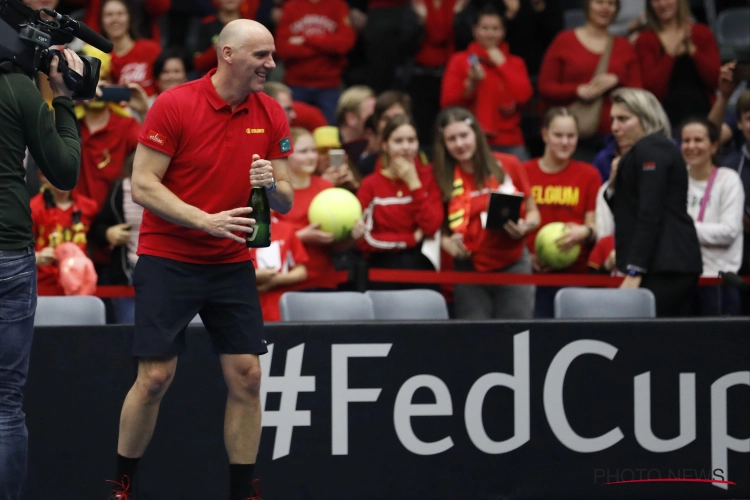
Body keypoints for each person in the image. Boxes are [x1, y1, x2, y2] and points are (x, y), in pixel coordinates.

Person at [104, 19, 293, 500]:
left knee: (248, 376)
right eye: (261, 55)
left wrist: (272, 183)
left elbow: (288, 198)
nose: (270, 64)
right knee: (155, 378)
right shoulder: (174, 104)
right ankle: (123, 483)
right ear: (227, 55)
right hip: (168, 256)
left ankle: (242, 491)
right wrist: (202, 220)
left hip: (231, 261)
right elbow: (144, 184)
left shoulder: (270, 112)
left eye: (271, 55)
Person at [0, 48, 83, 500]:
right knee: (5, 404)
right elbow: (65, 171)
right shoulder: (16, 87)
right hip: (8, 249)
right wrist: (63, 96)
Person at [434, 107, 540, 319]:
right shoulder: (440, 177)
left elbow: (534, 214)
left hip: (514, 263)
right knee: (475, 340)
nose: (460, 144)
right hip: (468, 268)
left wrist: (524, 228)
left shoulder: (508, 164)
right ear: (444, 144)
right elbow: (438, 228)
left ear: (477, 135)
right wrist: (448, 243)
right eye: (451, 139)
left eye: (464, 135)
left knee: (516, 337)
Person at [605, 88, 702, 317]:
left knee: (648, 342)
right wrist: (612, 185)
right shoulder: (640, 151)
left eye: (623, 119)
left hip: (666, 265)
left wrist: (635, 270)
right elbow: (627, 209)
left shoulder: (652, 148)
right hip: (662, 264)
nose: (614, 127)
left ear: (646, 118)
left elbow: (650, 212)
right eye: (612, 120)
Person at [538, 0, 642, 161]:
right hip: (571, 140)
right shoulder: (564, 40)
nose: (605, 8)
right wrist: (577, 90)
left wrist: (617, 80)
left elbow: (639, 94)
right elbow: (545, 87)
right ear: (587, 5)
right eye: (599, 2)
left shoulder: (624, 47)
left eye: (611, 4)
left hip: (615, 140)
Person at [524, 107, 602, 318]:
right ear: (545, 135)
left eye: (571, 136)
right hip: (531, 276)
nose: (565, 142)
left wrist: (583, 232)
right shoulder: (523, 172)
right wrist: (526, 257)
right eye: (558, 135)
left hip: (575, 277)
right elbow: (512, 225)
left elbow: (594, 226)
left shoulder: (589, 174)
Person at [351, 115, 443, 289]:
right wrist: (408, 239)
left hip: (421, 268)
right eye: (398, 141)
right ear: (385, 145)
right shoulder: (371, 184)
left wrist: (414, 184)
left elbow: (431, 226)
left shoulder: (429, 179)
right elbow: (363, 238)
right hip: (382, 270)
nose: (406, 147)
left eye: (411, 140)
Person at [441, 4, 533, 160]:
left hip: (510, 140)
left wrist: (503, 65)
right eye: (484, 28)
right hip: (471, 140)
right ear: (474, 30)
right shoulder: (460, 61)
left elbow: (525, 97)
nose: (490, 34)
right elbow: (447, 104)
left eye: (495, 29)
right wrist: (471, 84)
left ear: (504, 31)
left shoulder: (515, 63)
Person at [682, 117, 744, 315]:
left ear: (714, 146)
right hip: (683, 279)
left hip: (719, 283)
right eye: (686, 140)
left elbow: (729, 232)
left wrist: (684, 229)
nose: (691, 146)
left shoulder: (728, 179)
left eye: (698, 140)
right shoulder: (676, 179)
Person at [634, 0, 720, 131]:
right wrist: (671, 52)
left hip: (704, 119)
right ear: (649, 6)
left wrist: (692, 50)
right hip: (663, 123)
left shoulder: (701, 33)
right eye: (656, 1)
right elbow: (652, 90)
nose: (662, 4)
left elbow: (715, 81)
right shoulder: (645, 40)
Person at [274, 127, 340, 290]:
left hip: (324, 278)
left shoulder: (326, 187)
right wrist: (301, 236)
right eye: (303, 152)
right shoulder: (276, 191)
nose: (311, 157)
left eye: (313, 151)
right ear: (286, 156)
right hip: (286, 280)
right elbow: (265, 238)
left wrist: (351, 234)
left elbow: (337, 241)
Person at [274, 0, 357, 124]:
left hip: (329, 85)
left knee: (330, 134)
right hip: (296, 84)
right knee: (288, 131)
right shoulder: (291, 6)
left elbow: (345, 44)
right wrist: (324, 48)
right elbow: (282, 49)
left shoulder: (338, 5)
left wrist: (306, 40)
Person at [89, 153, 142, 324]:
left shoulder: (171, 189)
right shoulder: (120, 189)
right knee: (127, 330)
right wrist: (109, 233)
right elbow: (98, 227)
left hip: (162, 270)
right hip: (127, 271)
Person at [31, 172, 99, 296]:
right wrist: (38, 256)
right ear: (43, 176)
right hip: (45, 286)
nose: (62, 180)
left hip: (80, 286)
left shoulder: (89, 207)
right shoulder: (33, 208)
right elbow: (21, 253)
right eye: (56, 173)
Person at [103, 0, 163, 97]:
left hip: (150, 108)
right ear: (101, 21)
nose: (115, 19)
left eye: (120, 14)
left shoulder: (151, 49)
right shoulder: (96, 55)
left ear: (129, 18)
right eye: (109, 15)